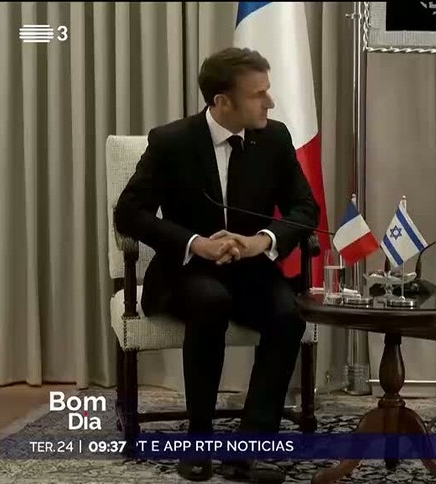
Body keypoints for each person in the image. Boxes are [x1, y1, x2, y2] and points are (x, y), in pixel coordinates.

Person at [114, 47, 319, 482]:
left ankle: (250, 446)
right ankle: (199, 439)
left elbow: (305, 208)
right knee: (211, 300)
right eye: (258, 94)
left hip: (251, 268)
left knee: (288, 317)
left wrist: (261, 240)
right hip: (187, 270)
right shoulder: (171, 142)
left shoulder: (275, 138)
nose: (270, 102)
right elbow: (128, 213)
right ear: (223, 101)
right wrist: (195, 244)